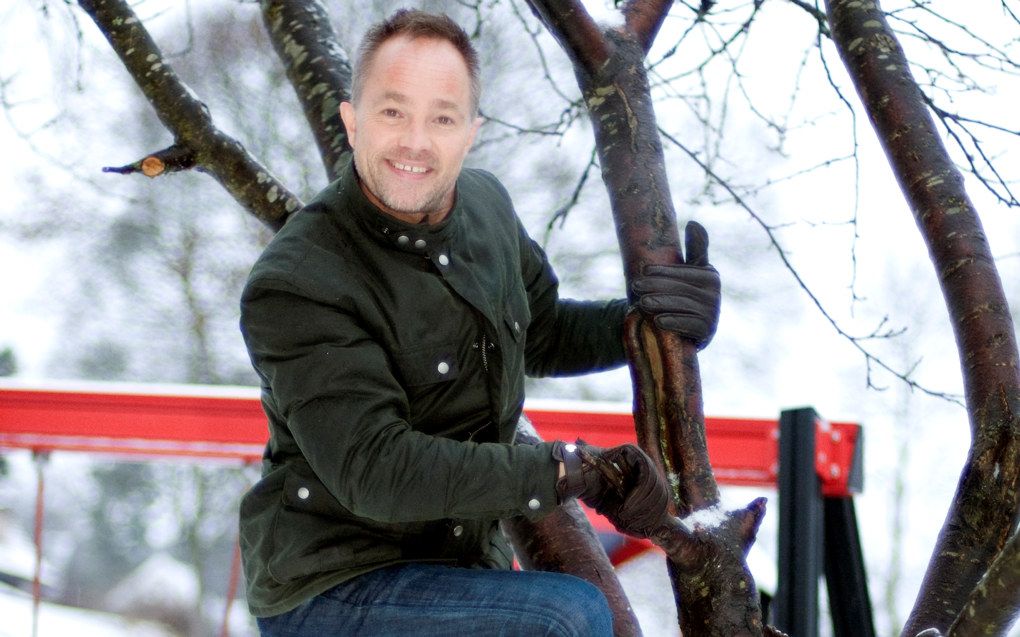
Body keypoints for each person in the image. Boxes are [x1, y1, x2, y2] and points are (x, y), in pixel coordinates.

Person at [238, 9, 721, 636]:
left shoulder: (488, 209)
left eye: (442, 118)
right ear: (353, 122)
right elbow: (375, 470)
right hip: (331, 587)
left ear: (471, 133)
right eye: (393, 112)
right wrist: (566, 471)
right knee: (566, 619)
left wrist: (651, 328)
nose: (416, 141)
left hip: (458, 571)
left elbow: (543, 334)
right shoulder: (299, 280)